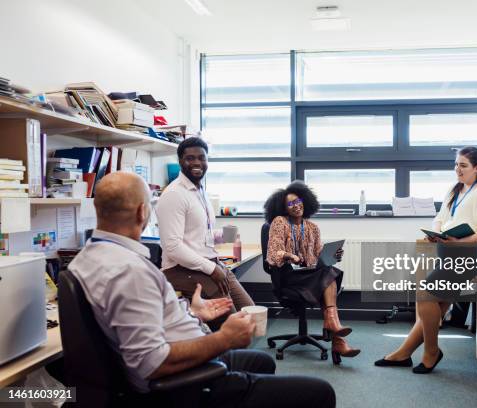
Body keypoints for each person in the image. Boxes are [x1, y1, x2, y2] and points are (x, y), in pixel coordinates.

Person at [68, 172, 336, 407]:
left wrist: (193, 314)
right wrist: (225, 338)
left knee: (261, 362)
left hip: (179, 357)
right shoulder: (128, 271)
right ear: (142, 212)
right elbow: (151, 363)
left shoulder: (88, 258)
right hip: (184, 387)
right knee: (319, 392)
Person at [375, 146, 477, 374]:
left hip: (470, 257)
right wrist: (434, 233)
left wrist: (459, 243)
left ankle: (431, 352)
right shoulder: (456, 190)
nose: (457, 169)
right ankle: (403, 354)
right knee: (434, 308)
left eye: (463, 165)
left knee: (425, 295)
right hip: (450, 255)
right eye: (456, 165)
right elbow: (440, 218)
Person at [156, 137, 254, 322]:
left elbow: (200, 236)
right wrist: (211, 269)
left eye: (201, 158)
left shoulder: (200, 191)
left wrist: (223, 236)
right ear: (180, 162)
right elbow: (173, 247)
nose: (197, 163)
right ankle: (218, 348)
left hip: (209, 263)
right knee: (233, 322)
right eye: (190, 158)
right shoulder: (174, 194)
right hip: (181, 269)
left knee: (249, 311)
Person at [264, 181, 360, 361]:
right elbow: (273, 252)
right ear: (284, 208)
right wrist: (288, 255)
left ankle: (335, 330)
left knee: (329, 270)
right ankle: (337, 337)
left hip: (307, 273)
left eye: (298, 201)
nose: (296, 205)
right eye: (290, 203)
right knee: (329, 276)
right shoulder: (280, 222)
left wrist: (333, 254)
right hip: (288, 276)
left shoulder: (313, 228)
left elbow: (318, 255)